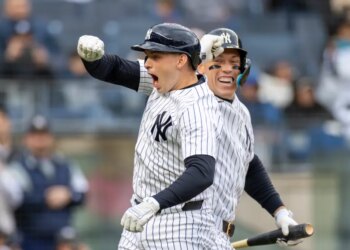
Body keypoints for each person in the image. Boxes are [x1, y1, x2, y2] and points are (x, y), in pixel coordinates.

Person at [77, 24, 300, 249]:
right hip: (163, 218)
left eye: (234, 63)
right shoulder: (172, 81)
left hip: (200, 226)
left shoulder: (239, 113)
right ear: (200, 65)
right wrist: (93, 58)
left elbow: (248, 164)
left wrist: (280, 212)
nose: (227, 69)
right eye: (218, 61)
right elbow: (114, 69)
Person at [79, 22, 224, 249]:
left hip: (179, 223)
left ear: (180, 60)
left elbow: (202, 173)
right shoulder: (164, 81)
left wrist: (154, 203)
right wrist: (91, 58)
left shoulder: (198, 106)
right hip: (140, 215)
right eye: (147, 56)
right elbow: (112, 69)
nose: (147, 63)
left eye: (155, 56)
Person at [1, 115, 89, 250]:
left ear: (51, 137)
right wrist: (45, 197)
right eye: (35, 135)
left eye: (43, 135)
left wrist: (69, 195)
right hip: (30, 240)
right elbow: (15, 198)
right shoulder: (17, 167)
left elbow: (83, 193)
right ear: (26, 139)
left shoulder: (65, 164)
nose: (40, 140)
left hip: (64, 240)